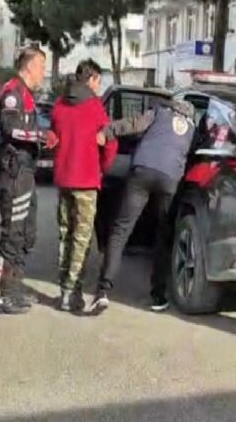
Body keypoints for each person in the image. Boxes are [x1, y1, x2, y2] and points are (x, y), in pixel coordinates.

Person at [88, 97, 196, 315]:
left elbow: (133, 124)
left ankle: (103, 290)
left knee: (121, 230)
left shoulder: (159, 113)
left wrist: (107, 131)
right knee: (163, 235)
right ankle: (158, 296)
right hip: (170, 178)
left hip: (143, 171)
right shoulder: (193, 128)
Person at [0, 45, 54, 314]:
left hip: (24, 170)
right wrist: (40, 135)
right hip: (12, 170)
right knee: (13, 232)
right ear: (29, 66)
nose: (43, 72)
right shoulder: (13, 92)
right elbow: (10, 128)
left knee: (27, 232)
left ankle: (13, 285)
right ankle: (2, 292)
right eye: (41, 66)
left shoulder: (25, 93)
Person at [50, 59, 118, 313]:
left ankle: (64, 292)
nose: (98, 87)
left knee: (65, 234)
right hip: (87, 181)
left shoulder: (59, 104)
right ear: (91, 79)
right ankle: (72, 291)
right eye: (98, 81)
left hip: (63, 180)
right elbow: (109, 142)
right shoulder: (94, 107)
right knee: (81, 238)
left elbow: (54, 137)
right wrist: (103, 168)